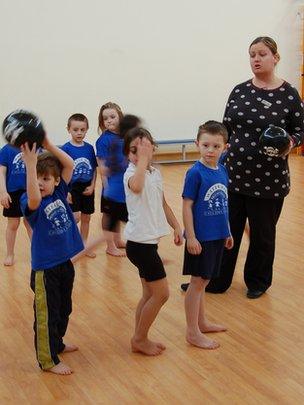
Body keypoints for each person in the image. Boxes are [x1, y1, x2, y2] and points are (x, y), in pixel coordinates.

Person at [205, 36, 304, 298]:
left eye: (261, 54)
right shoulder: (239, 90)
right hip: (233, 175)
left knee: (262, 236)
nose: (256, 59)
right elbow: (226, 128)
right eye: (252, 55)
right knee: (227, 231)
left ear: (275, 57)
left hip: (269, 180)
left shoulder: (289, 94)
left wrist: (290, 142)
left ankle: (257, 282)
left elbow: (300, 130)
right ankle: (217, 280)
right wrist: (214, 149)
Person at [20, 137, 84, 375]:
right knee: (47, 314)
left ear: (56, 181)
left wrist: (47, 142)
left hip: (64, 263)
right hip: (45, 270)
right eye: (36, 179)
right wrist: (30, 165)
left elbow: (70, 165)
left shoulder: (59, 192)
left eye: (45, 178)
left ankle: (57, 343)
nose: (40, 183)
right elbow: (35, 197)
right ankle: (48, 360)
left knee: (64, 308)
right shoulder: (30, 199)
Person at [123, 127, 183, 356]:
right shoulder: (130, 174)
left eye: (145, 148)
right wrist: (142, 160)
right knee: (162, 294)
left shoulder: (155, 173)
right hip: (139, 245)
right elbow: (137, 187)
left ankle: (140, 337)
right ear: (127, 155)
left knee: (149, 294)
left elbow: (163, 203)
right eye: (134, 150)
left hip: (148, 244)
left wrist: (176, 226)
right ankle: (139, 339)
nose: (140, 154)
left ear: (153, 148)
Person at [182, 121, 233, 349]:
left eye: (216, 146)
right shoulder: (195, 173)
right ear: (197, 144)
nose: (210, 150)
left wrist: (227, 231)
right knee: (197, 282)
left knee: (205, 281)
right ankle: (192, 332)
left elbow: (223, 202)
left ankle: (201, 322)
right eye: (205, 145)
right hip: (200, 238)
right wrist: (191, 237)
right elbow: (186, 206)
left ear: (225, 147)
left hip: (217, 236)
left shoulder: (222, 170)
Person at [61, 113, 97, 255]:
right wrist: (65, 191)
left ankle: (83, 245)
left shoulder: (89, 148)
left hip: (87, 186)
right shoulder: (65, 149)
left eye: (82, 129)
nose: (79, 133)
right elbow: (61, 172)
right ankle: (68, 243)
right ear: (68, 129)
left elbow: (94, 169)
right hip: (72, 188)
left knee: (86, 217)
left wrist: (93, 185)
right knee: (74, 218)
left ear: (87, 129)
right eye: (75, 130)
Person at [96, 102, 128, 257]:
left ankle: (118, 240)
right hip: (111, 186)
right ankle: (110, 245)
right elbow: (102, 167)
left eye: (112, 117)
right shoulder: (103, 140)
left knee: (118, 213)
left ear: (119, 117)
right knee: (109, 215)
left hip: (124, 184)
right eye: (105, 119)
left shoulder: (126, 137)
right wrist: (106, 186)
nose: (109, 120)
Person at [0, 143, 32, 265]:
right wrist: (3, 192)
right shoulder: (6, 150)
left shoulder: (33, 147)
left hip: (29, 192)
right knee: (13, 224)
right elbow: (1, 173)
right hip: (12, 193)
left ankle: (37, 253)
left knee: (30, 223)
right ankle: (10, 254)